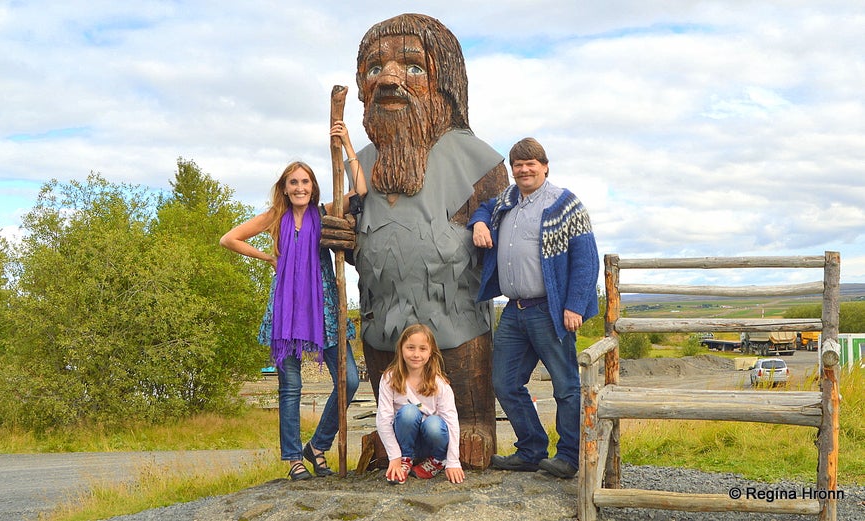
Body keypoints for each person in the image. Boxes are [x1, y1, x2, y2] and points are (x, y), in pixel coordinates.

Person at [321, 13, 509, 469]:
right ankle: (396, 444)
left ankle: (474, 425)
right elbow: (361, 243)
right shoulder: (359, 164)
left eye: (412, 67)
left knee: (463, 375)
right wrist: (340, 237)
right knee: (390, 381)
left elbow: (503, 236)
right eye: (374, 69)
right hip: (384, 318)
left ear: (444, 83)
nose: (388, 78)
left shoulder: (478, 161)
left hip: (457, 321)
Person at [220, 121, 367, 480]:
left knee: (348, 381)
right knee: (291, 387)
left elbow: (361, 189)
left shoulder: (324, 211)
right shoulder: (276, 217)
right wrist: (269, 258)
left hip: (325, 309)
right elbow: (229, 238)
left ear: (313, 187)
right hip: (286, 311)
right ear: (285, 189)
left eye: (305, 182)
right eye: (293, 182)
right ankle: (293, 459)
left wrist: (347, 143)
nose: (300, 187)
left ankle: (316, 446)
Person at [469, 137, 599, 479]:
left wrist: (574, 306)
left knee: (566, 386)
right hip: (514, 310)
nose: (524, 170)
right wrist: (480, 223)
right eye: (518, 165)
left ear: (544, 167)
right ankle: (531, 450)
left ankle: (569, 457)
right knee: (505, 381)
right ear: (513, 170)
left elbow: (586, 261)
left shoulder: (565, 204)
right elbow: (484, 207)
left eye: (531, 164)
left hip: (550, 309)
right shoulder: (508, 201)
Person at [376, 324, 465, 485]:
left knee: (433, 424)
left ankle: (438, 460)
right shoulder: (390, 379)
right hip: (405, 441)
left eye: (422, 349)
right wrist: (394, 457)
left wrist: (454, 461)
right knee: (408, 412)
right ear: (401, 349)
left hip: (431, 440)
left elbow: (451, 423)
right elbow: (384, 418)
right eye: (410, 348)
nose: (416, 354)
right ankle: (405, 459)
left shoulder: (440, 384)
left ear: (431, 352)